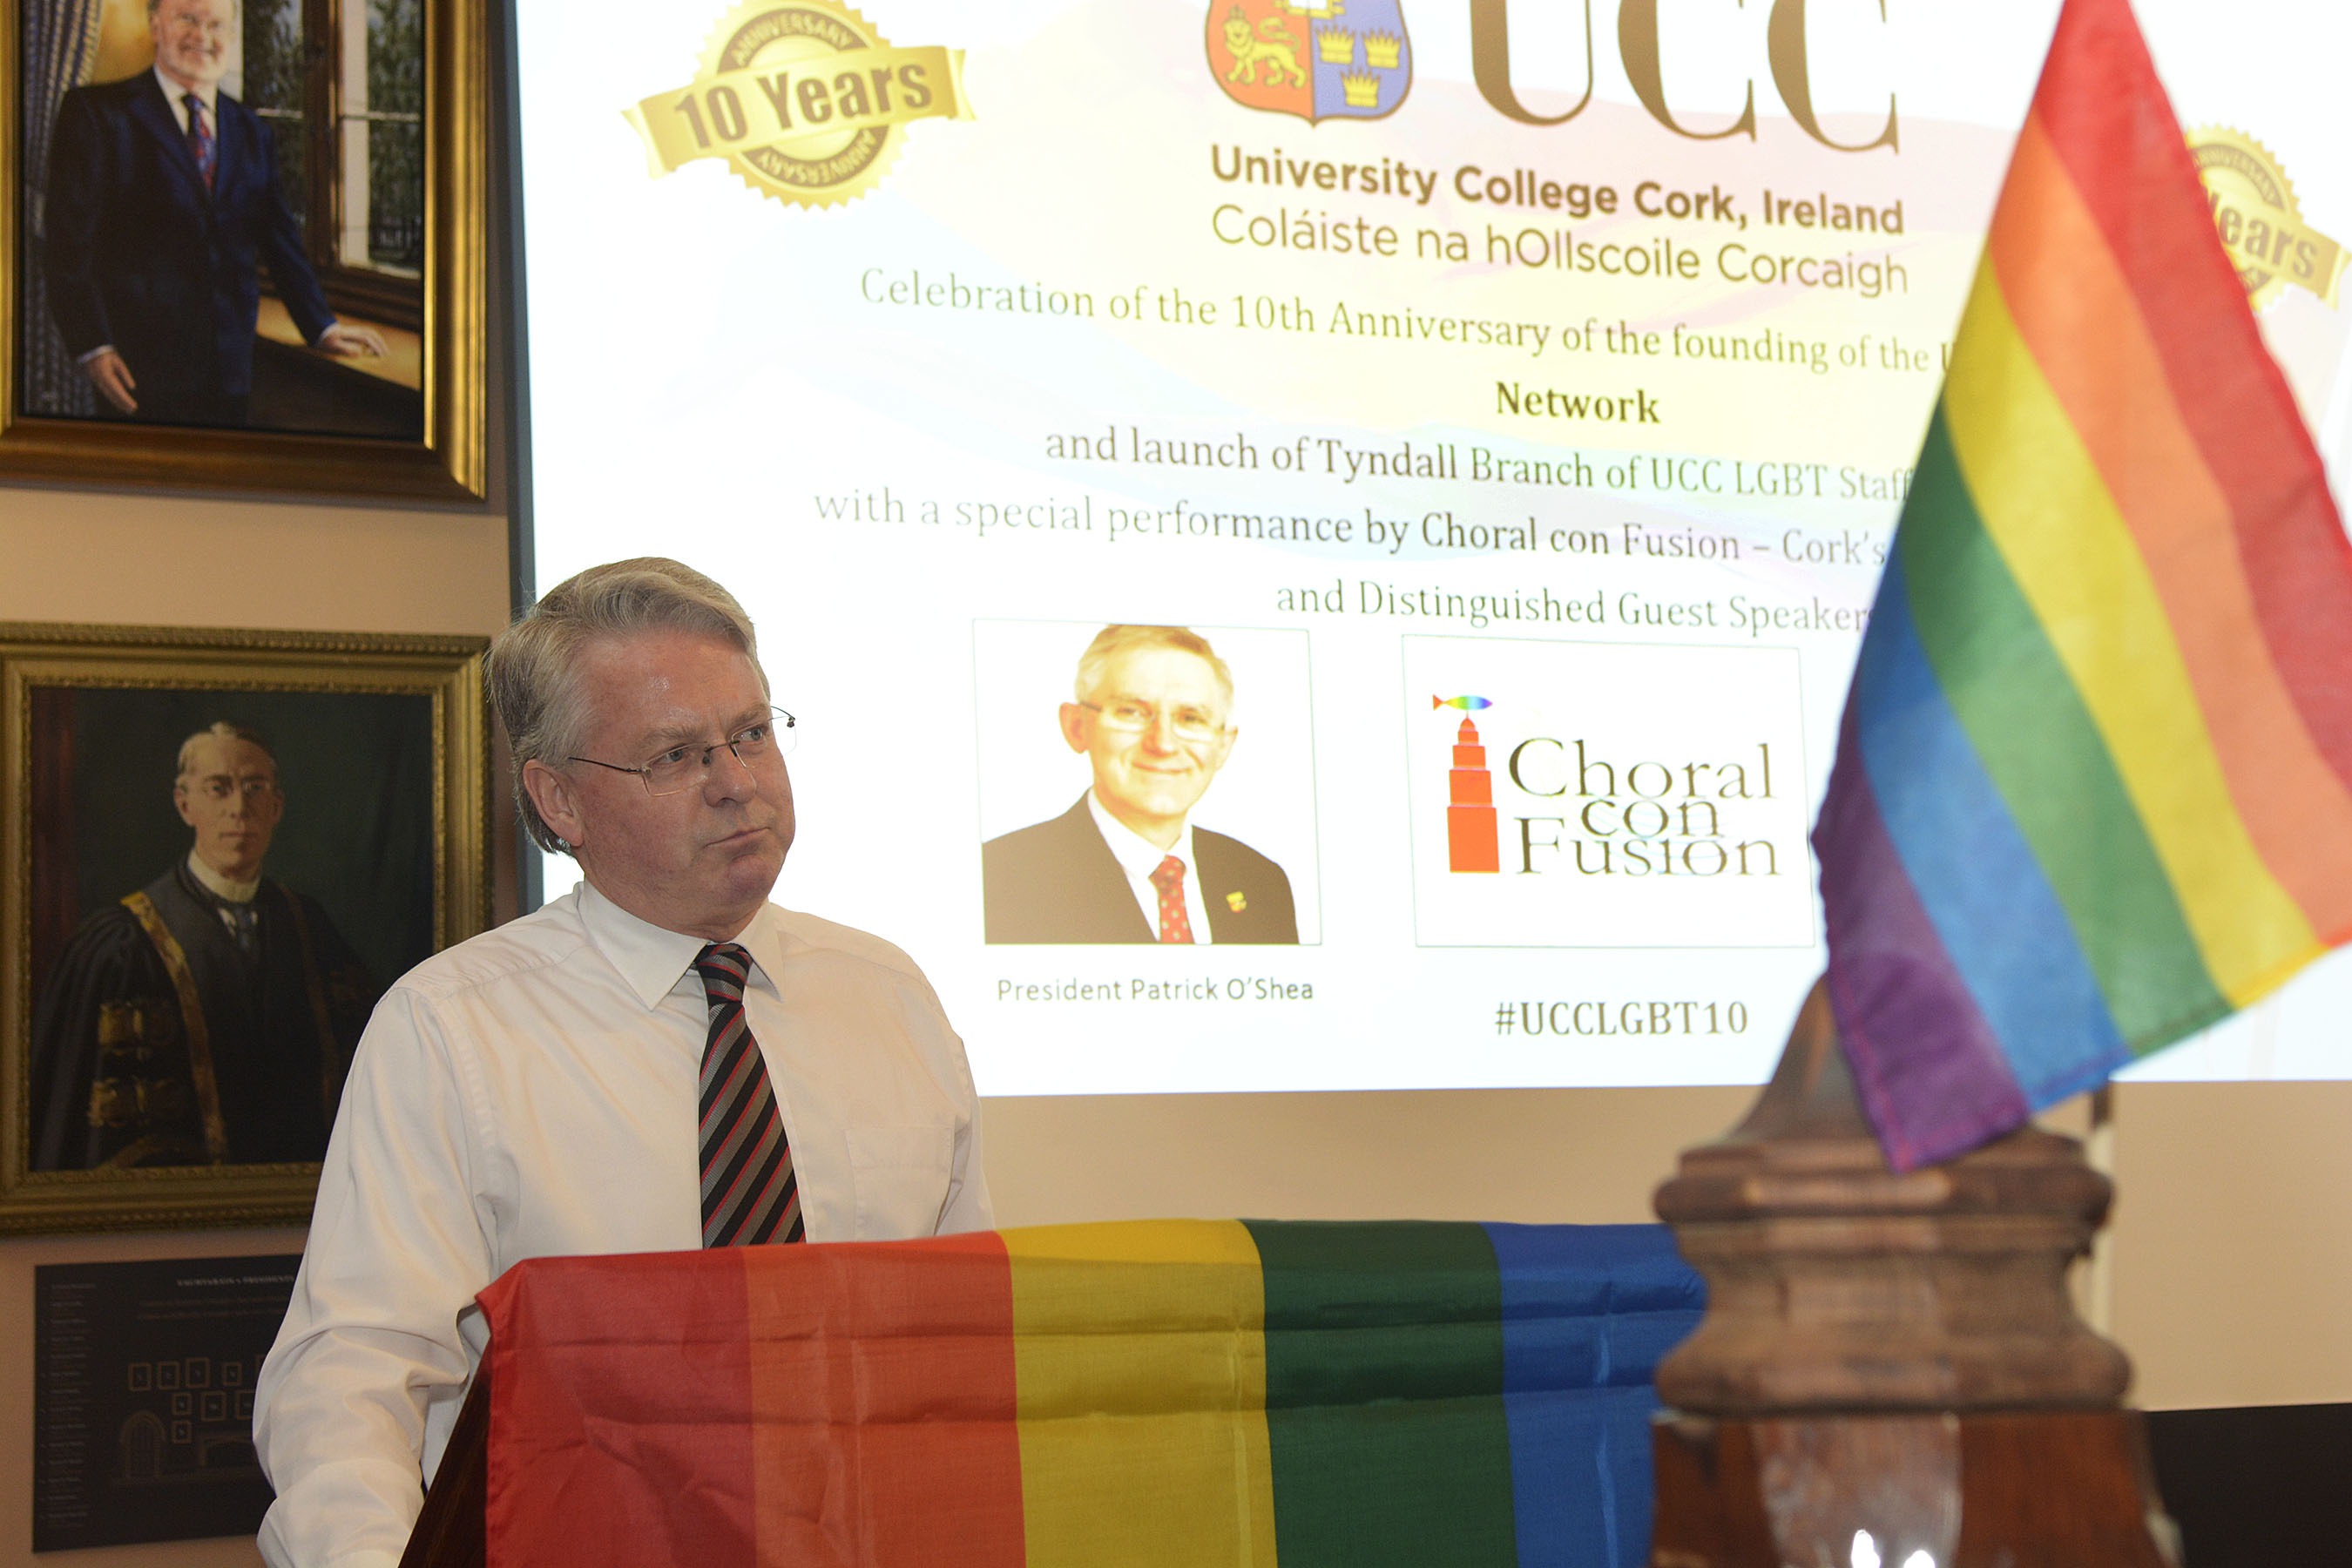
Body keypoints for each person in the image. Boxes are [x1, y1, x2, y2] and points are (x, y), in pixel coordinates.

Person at [253, 558, 992, 1568]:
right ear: (559, 798)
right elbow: (352, 1381)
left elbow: (961, 1343)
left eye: (752, 733)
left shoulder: (888, 996)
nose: (738, 783)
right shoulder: (451, 1031)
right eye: (676, 755)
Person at [29, 722, 378, 1170]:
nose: (239, 809)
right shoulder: (122, 944)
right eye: (218, 789)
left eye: (254, 788)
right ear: (184, 804)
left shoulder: (311, 928)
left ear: (276, 807)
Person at [42, 0, 389, 427]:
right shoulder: (97, 114)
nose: (202, 37)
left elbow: (280, 242)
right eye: (187, 19)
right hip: (134, 369)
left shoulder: (252, 131)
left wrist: (322, 327)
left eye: (216, 25)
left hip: (230, 370)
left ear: (232, 36)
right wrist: (93, 346)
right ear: (155, 26)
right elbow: (67, 247)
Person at [983, 624, 1298, 943]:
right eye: (1132, 712)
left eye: (1191, 718)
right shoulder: (1000, 876)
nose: (1163, 744)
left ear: (1223, 746)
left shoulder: (1262, 881)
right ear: (1076, 726)